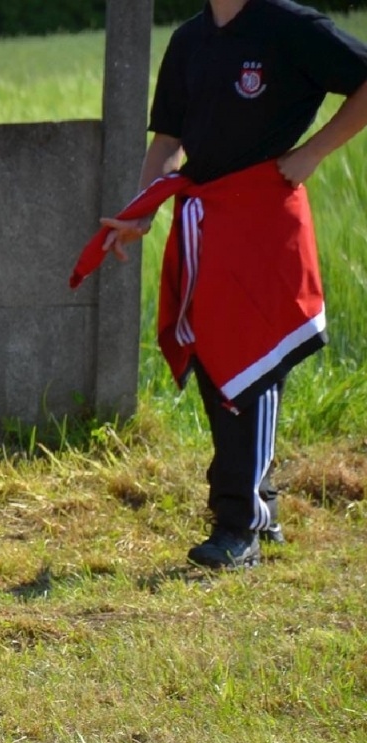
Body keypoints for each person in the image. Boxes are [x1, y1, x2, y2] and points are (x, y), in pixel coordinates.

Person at [95, 0, 367, 570]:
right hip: (206, 223)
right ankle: (257, 504)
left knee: (255, 363)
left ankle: (237, 525)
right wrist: (141, 209)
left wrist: (313, 153)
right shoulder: (190, 39)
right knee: (215, 360)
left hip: (267, 219)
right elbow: (168, 139)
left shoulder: (292, 26)